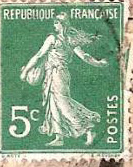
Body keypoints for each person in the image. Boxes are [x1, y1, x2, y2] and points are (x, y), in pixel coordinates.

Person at [20, 13, 108, 147]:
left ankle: (88, 128)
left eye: (56, 22)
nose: (54, 25)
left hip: (58, 74)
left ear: (62, 24)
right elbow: (85, 56)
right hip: (55, 74)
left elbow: (39, 56)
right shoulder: (70, 40)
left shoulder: (53, 39)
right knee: (53, 103)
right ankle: (59, 136)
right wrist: (99, 63)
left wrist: (26, 71)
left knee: (62, 102)